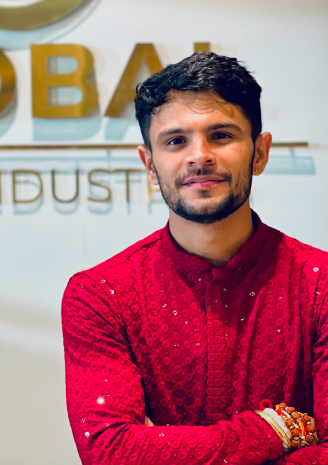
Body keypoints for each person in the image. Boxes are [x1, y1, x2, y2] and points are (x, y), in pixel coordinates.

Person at [62, 52, 327, 464]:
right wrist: (270, 431)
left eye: (221, 135)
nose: (199, 156)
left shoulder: (320, 284)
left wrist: (163, 449)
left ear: (259, 152)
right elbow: (111, 451)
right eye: (175, 141)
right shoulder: (100, 296)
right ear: (150, 164)